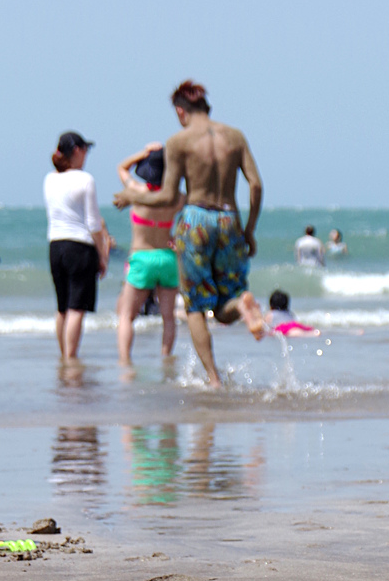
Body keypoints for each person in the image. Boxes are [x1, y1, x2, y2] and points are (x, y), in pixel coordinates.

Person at [113, 81, 265, 388]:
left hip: (195, 220)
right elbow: (256, 185)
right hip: (228, 218)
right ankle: (242, 304)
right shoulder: (235, 136)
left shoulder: (179, 141)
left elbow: (168, 196)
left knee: (195, 306)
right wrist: (248, 229)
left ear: (181, 111)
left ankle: (213, 379)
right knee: (227, 304)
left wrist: (133, 198)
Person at [115, 143, 185, 365]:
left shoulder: (136, 192)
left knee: (127, 316)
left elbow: (121, 168)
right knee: (168, 317)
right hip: (167, 257)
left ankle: (125, 362)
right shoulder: (175, 198)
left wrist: (143, 153)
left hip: (141, 257)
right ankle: (166, 360)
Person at [44, 132, 110, 360]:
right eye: (85, 150)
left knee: (62, 307)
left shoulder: (49, 179)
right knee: (76, 307)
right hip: (80, 246)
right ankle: (71, 357)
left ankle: (64, 355)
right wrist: (103, 254)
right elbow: (93, 223)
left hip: (55, 246)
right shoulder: (85, 179)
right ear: (77, 151)